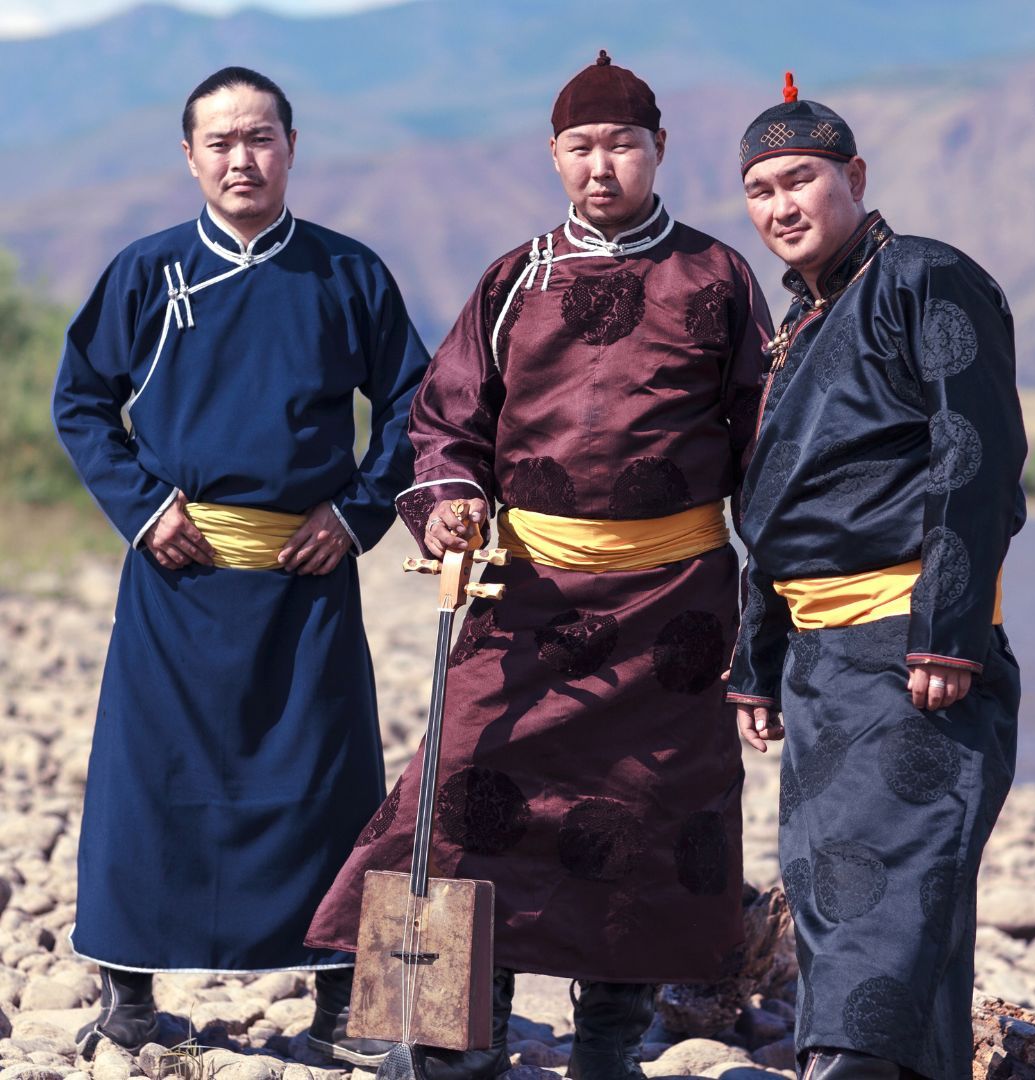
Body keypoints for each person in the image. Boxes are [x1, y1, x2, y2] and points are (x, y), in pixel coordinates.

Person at [306, 50, 773, 1080]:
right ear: (553, 156)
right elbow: (446, 420)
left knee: (654, 812)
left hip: (675, 609)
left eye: (622, 146)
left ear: (660, 149)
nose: (602, 166)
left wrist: (776, 620)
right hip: (525, 597)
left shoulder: (718, 277)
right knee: (462, 789)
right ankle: (450, 1037)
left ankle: (609, 1045)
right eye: (581, 148)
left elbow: (763, 446)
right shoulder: (515, 277)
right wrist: (450, 498)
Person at [52, 66, 429, 1064]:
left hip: (307, 577)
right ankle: (129, 998)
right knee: (147, 780)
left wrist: (356, 512)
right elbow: (81, 400)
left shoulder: (348, 273)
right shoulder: (146, 271)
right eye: (219, 142)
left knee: (328, 781)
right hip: (175, 575)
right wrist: (143, 509)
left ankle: (343, 1003)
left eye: (260, 138)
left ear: (292, 147)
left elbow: (414, 404)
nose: (241, 159)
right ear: (189, 157)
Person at [726, 73, 1026, 1080]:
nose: (781, 206)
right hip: (822, 660)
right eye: (760, 189)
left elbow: (972, 453)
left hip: (909, 649)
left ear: (853, 176)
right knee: (842, 885)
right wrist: (758, 662)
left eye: (800, 179)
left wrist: (948, 631)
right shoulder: (801, 323)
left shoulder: (923, 278)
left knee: (883, 884)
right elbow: (777, 511)